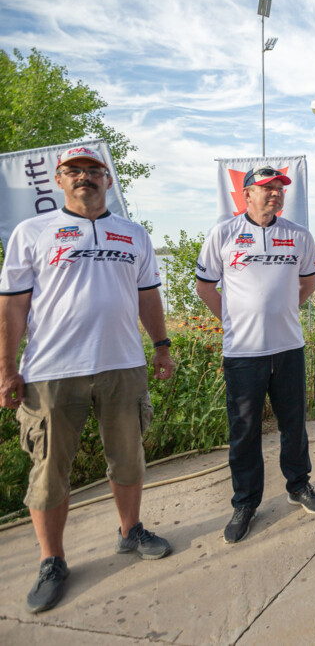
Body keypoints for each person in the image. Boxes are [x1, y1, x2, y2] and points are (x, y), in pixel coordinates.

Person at [0, 145, 174, 613]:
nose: (85, 177)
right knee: (49, 470)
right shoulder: (32, 232)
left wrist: (161, 346)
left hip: (122, 364)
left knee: (129, 456)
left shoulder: (133, 234)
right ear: (58, 179)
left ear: (108, 180)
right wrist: (6, 367)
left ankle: (130, 531)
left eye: (94, 170)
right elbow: (12, 304)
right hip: (51, 372)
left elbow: (148, 295)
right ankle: (52, 561)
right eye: (74, 170)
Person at [196, 165, 315, 544]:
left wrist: (282, 312)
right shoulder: (223, 234)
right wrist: (232, 320)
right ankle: (245, 502)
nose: (275, 193)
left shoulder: (299, 236)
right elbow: (205, 287)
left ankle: (298, 485)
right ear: (247, 195)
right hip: (243, 352)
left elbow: (308, 283)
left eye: (280, 188)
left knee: (294, 424)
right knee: (244, 430)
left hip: (288, 347)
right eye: (267, 187)